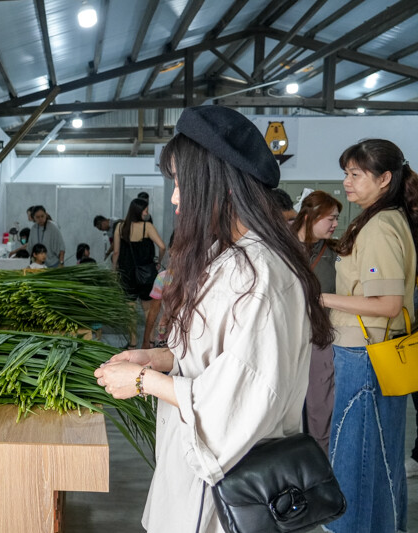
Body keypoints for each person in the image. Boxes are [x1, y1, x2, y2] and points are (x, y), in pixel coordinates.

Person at [94, 105, 332, 532]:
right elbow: (214, 357)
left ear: (216, 184)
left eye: (181, 183)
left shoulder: (260, 274)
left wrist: (143, 382)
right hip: (192, 475)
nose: (174, 198)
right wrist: (156, 358)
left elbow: (241, 401)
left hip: (229, 492)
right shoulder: (226, 257)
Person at [320, 139, 418, 533]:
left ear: (384, 179)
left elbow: (388, 303)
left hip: (366, 356)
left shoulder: (379, 226)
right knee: (379, 463)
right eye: (347, 173)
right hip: (376, 354)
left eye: (355, 174)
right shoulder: (388, 218)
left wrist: (321, 295)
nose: (346, 182)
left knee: (354, 463)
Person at [290, 190, 342, 455]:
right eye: (330, 218)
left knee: (321, 406)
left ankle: (321, 466)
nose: (335, 224)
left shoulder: (336, 251)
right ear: (311, 215)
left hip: (320, 340)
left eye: (336, 218)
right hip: (284, 340)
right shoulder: (281, 246)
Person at [113, 198, 166, 348]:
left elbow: (116, 252)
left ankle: (133, 342)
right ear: (138, 210)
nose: (147, 212)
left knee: (130, 311)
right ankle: (149, 341)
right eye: (145, 210)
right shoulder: (147, 227)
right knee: (148, 309)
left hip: (127, 273)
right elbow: (162, 246)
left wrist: (114, 270)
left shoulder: (119, 227)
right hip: (146, 274)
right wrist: (159, 262)